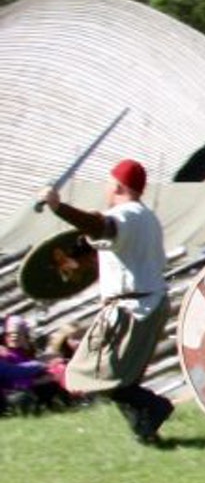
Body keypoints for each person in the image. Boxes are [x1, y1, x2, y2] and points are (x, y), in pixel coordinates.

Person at [40, 159, 174, 444]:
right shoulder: (148, 218)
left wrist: (58, 207)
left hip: (130, 309)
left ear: (118, 185)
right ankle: (146, 431)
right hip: (154, 303)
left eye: (108, 181)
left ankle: (154, 407)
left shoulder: (125, 215)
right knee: (123, 379)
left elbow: (100, 225)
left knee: (88, 374)